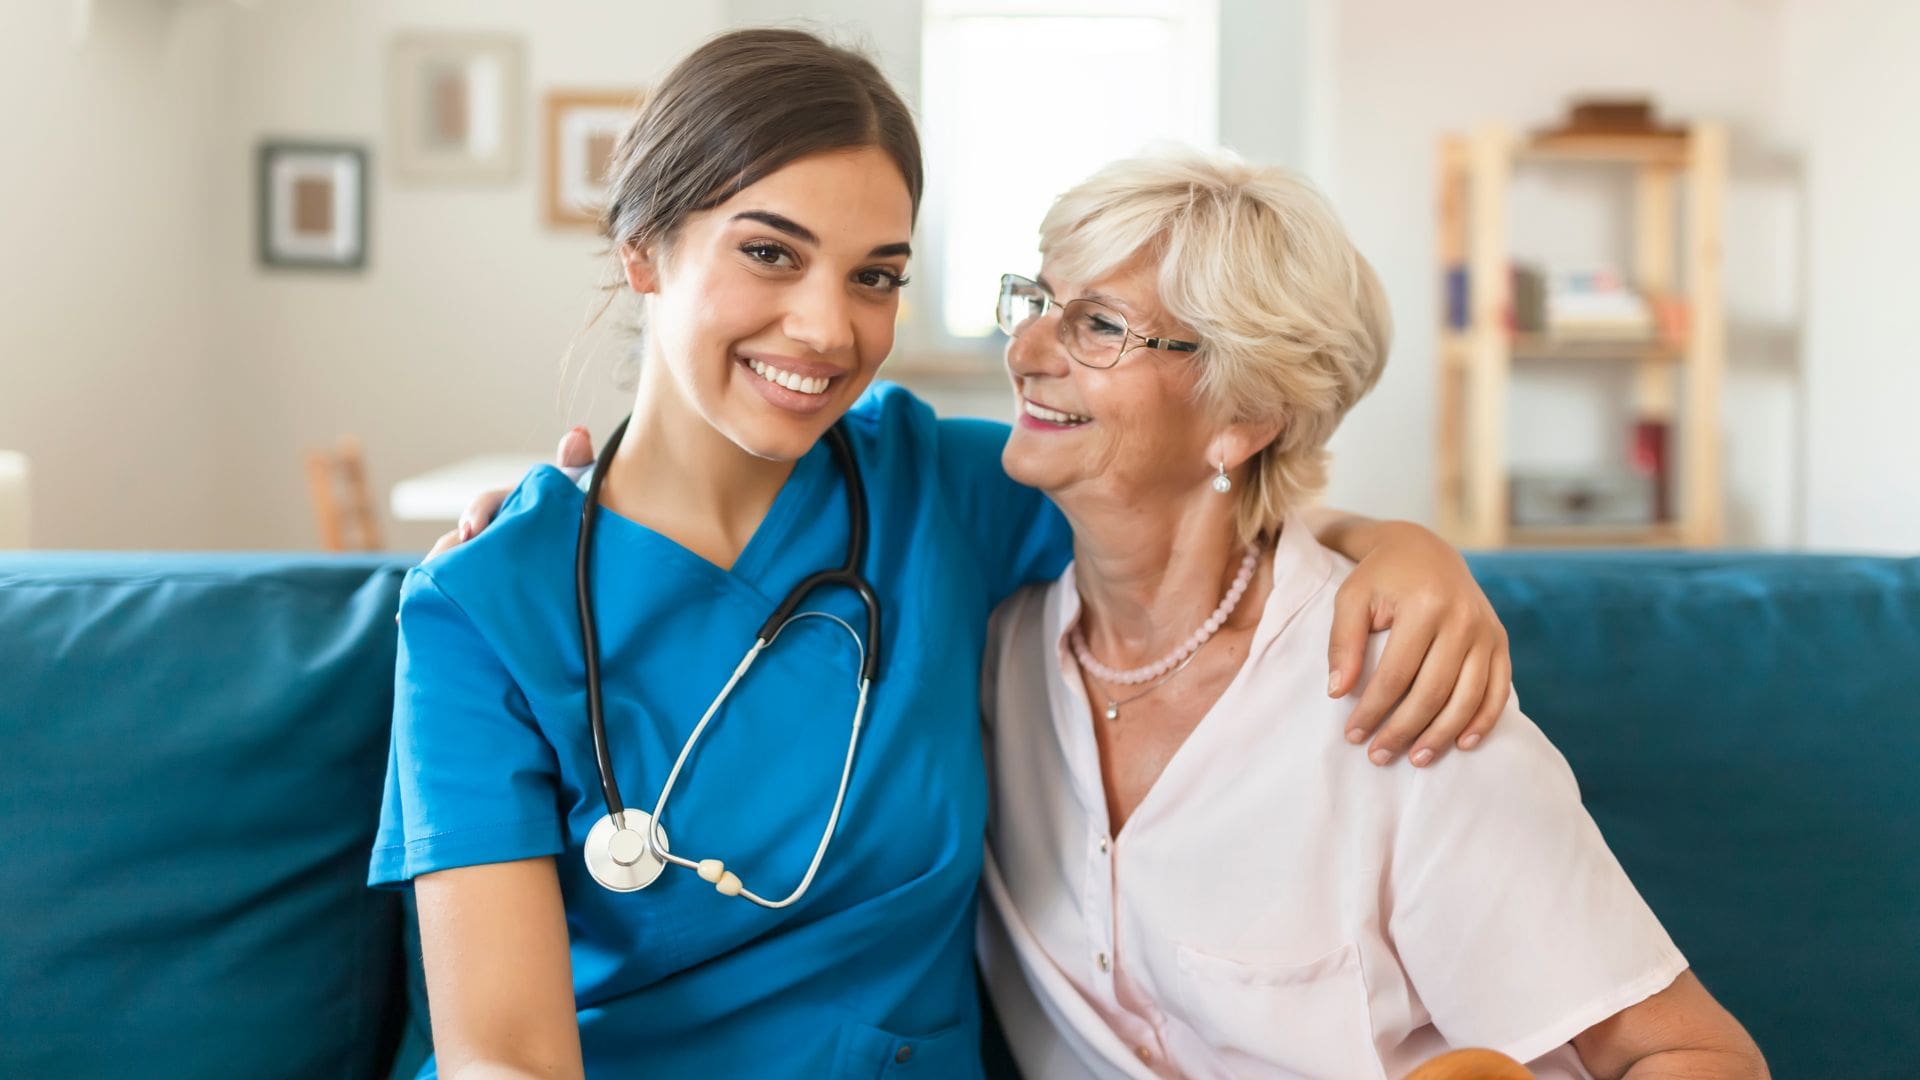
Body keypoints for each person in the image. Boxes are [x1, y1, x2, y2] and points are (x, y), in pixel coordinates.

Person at [388, 28, 1513, 1079]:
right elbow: (506, 1058)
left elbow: (1193, 495)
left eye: (876, 276)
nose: (830, 330)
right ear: (643, 251)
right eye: (772, 253)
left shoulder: (942, 490)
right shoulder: (480, 610)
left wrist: (1405, 550)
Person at [975, 147, 1768, 1078]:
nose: (1025, 354)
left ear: (1245, 414)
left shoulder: (1397, 689)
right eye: (1037, 303)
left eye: (1100, 327)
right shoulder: (992, 651)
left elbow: (1694, 1055)